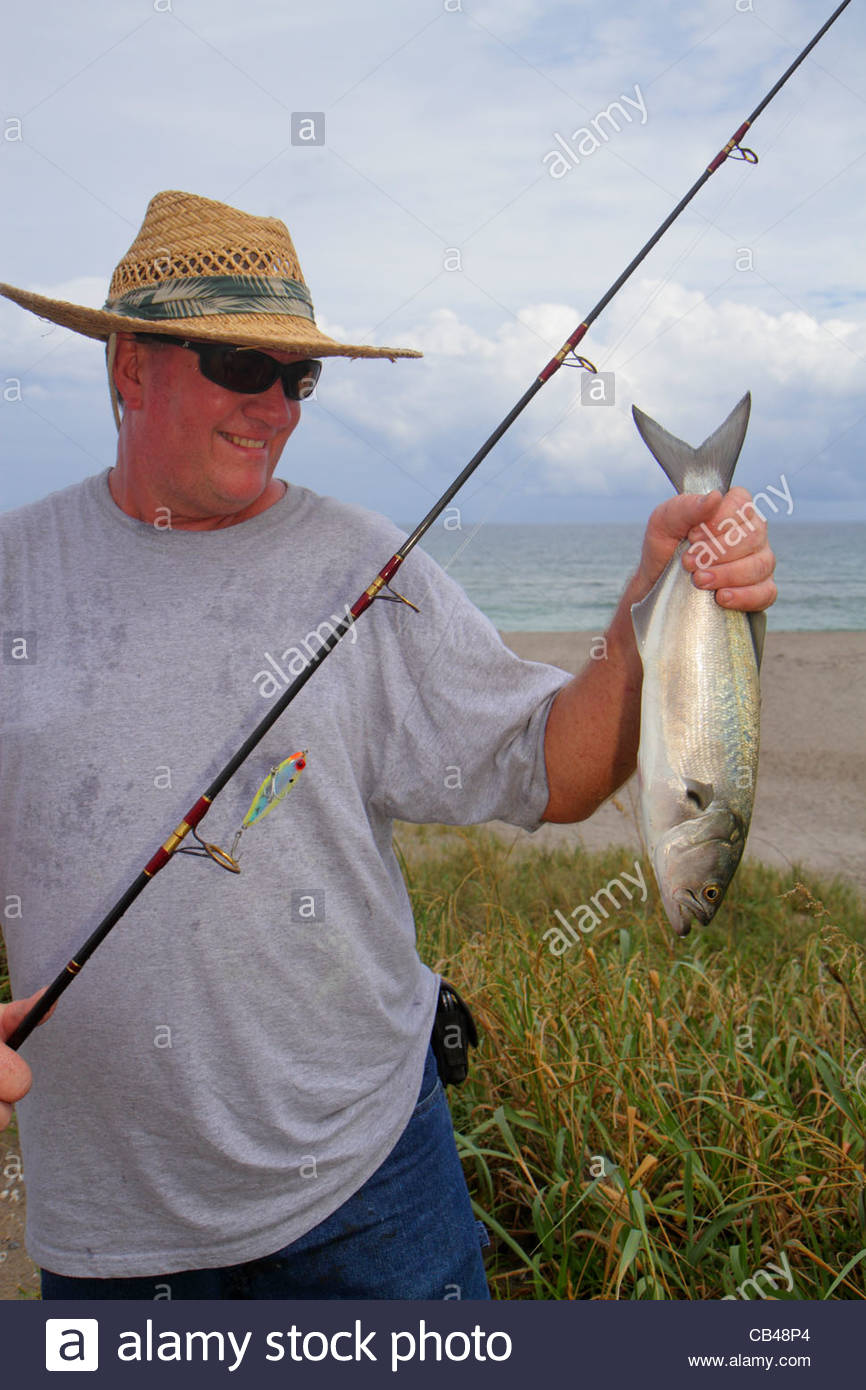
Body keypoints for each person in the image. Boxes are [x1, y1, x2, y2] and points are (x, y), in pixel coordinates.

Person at [0, 190, 776, 1300]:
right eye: (239, 362)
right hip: (110, 1225)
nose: (274, 405)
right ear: (130, 364)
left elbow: (548, 766)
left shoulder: (368, 562)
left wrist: (653, 613)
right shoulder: (14, 574)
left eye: (298, 375)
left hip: (369, 1193)